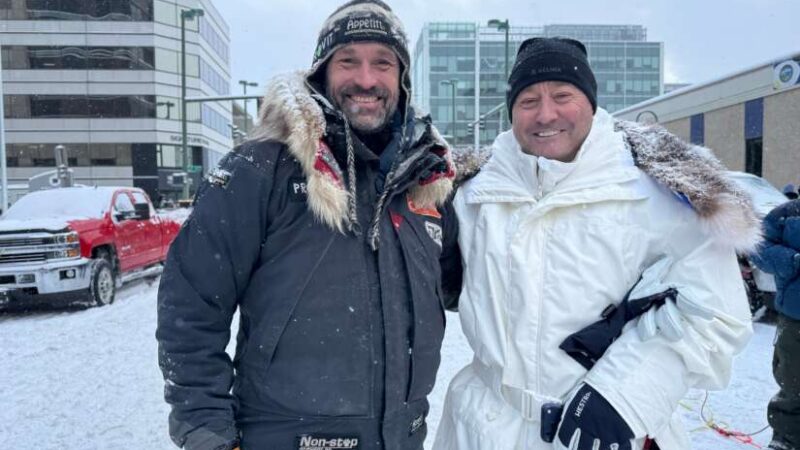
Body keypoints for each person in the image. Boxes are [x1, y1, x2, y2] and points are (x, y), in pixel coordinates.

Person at [156, 1, 461, 449]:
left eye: (382, 63)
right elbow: (191, 306)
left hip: (401, 437)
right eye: (348, 61)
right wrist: (206, 431)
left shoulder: (426, 181)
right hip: (284, 437)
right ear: (321, 72)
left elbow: (469, 289)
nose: (366, 79)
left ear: (402, 78)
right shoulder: (259, 169)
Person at [433, 37, 759, 450]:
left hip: (605, 433)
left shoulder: (653, 194)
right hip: (482, 428)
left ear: (590, 102)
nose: (545, 114)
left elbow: (715, 313)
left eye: (562, 96)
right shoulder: (471, 194)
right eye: (528, 100)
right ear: (511, 111)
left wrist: (622, 397)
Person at [752, 199, 800, 450]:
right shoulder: (788, 213)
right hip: (795, 315)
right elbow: (756, 245)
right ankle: (786, 439)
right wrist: (793, 260)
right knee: (793, 381)